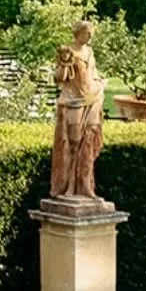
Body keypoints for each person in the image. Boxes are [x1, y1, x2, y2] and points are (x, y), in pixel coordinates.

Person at [50, 19, 107, 202]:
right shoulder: (68, 51)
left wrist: (99, 84)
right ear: (78, 33)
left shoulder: (89, 51)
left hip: (93, 97)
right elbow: (59, 78)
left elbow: (93, 73)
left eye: (91, 33)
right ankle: (69, 187)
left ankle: (86, 186)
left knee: (88, 143)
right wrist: (65, 63)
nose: (90, 36)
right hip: (74, 100)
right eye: (87, 33)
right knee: (73, 142)